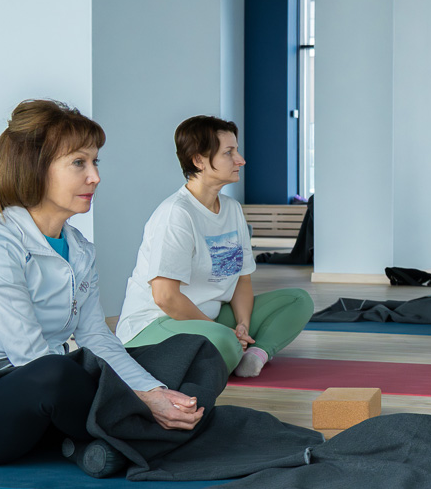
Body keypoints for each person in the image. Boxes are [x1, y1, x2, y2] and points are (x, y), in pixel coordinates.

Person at [0, 100, 202, 471]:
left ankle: (104, 441)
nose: (95, 177)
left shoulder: (79, 248)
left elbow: (96, 336)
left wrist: (153, 390)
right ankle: (142, 434)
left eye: (95, 162)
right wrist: (141, 400)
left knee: (194, 350)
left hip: (39, 402)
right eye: (79, 162)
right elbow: (29, 356)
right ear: (34, 168)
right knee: (55, 372)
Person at [117, 116, 313, 378]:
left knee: (298, 301)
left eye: (236, 151)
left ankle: (255, 354)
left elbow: (242, 279)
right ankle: (228, 349)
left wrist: (242, 326)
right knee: (223, 341)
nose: (240, 160)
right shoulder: (176, 214)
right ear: (198, 160)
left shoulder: (232, 209)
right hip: (156, 323)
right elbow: (165, 297)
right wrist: (220, 331)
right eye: (229, 152)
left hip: (211, 318)